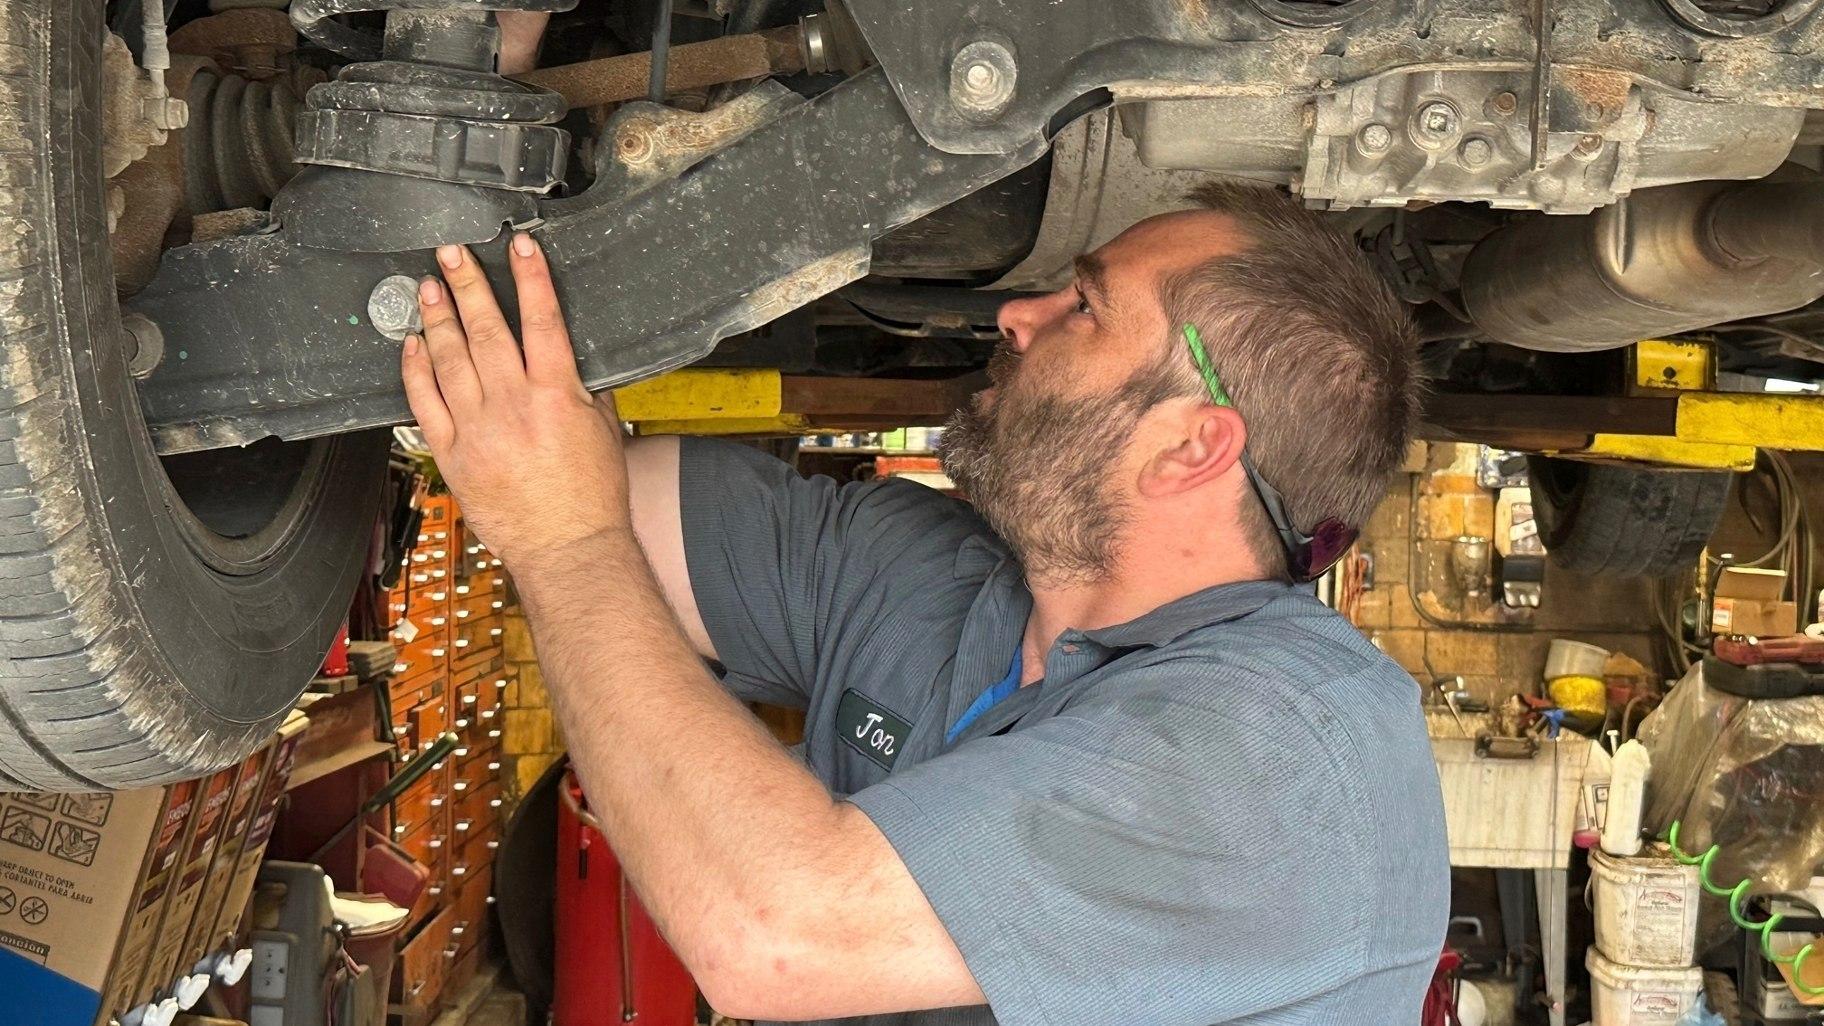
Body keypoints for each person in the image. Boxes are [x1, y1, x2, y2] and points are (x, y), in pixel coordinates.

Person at [400, 181, 1450, 1024]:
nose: (1018, 315)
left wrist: (566, 542)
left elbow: (782, 933)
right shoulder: (939, 577)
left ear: (1189, 445)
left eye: (1084, 306)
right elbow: (574, 477)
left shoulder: (1285, 758)